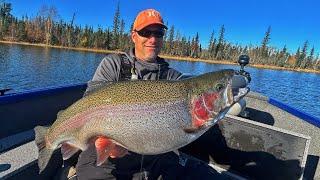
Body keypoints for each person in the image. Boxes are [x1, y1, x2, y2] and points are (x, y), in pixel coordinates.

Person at [74, 9, 223, 180]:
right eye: (146, 32)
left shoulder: (173, 79)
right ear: (134, 36)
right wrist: (107, 143)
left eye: (158, 33)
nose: (152, 39)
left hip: (155, 156)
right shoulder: (113, 65)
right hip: (107, 156)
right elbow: (87, 110)